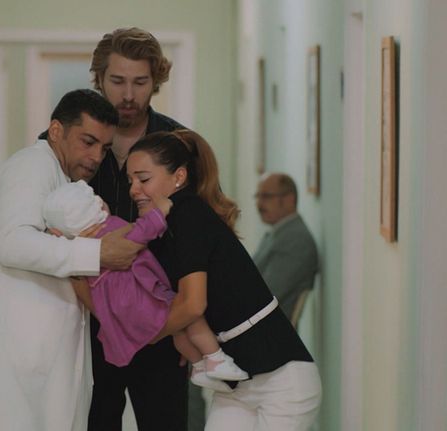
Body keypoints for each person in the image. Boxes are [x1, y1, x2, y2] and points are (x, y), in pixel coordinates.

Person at [0, 89, 142, 431]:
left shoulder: (62, 178)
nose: (95, 157)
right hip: (9, 351)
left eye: (104, 148)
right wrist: (98, 253)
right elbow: (13, 243)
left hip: (40, 351)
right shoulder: (31, 164)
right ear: (56, 130)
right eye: (88, 142)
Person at [126, 130, 322, 430]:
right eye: (130, 181)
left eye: (143, 179)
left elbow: (192, 305)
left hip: (281, 381)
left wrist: (147, 335)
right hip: (237, 386)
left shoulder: (188, 214)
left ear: (179, 177)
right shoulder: (164, 228)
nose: (134, 189)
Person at [87, 27, 203, 431]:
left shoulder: (179, 145)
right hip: (90, 322)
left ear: (156, 81)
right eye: (117, 81)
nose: (128, 95)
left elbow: (199, 237)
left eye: (140, 82)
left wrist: (190, 323)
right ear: (99, 78)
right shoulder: (76, 144)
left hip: (161, 320)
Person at [45, 181, 249, 390]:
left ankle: (198, 366)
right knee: (191, 317)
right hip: (140, 301)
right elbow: (141, 232)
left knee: (178, 331)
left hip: (121, 315)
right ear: (98, 208)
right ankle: (215, 359)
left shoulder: (80, 249)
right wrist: (161, 211)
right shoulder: (110, 230)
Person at [252, 173, 319, 324]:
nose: (259, 204)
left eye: (266, 196)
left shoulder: (296, 240)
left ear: (289, 199)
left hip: (265, 329)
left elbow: (264, 296)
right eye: (258, 196)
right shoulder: (279, 233)